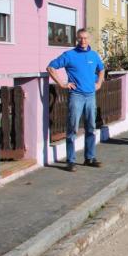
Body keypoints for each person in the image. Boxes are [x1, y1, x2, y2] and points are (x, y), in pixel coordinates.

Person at [46, 29, 105, 172]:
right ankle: (71, 161)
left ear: (89, 39)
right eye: (80, 38)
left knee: (91, 127)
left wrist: (99, 83)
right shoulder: (69, 55)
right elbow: (50, 67)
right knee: (72, 128)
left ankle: (89, 158)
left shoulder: (94, 55)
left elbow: (101, 69)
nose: (83, 41)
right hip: (76, 96)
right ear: (77, 39)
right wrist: (62, 84)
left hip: (90, 96)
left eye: (85, 38)